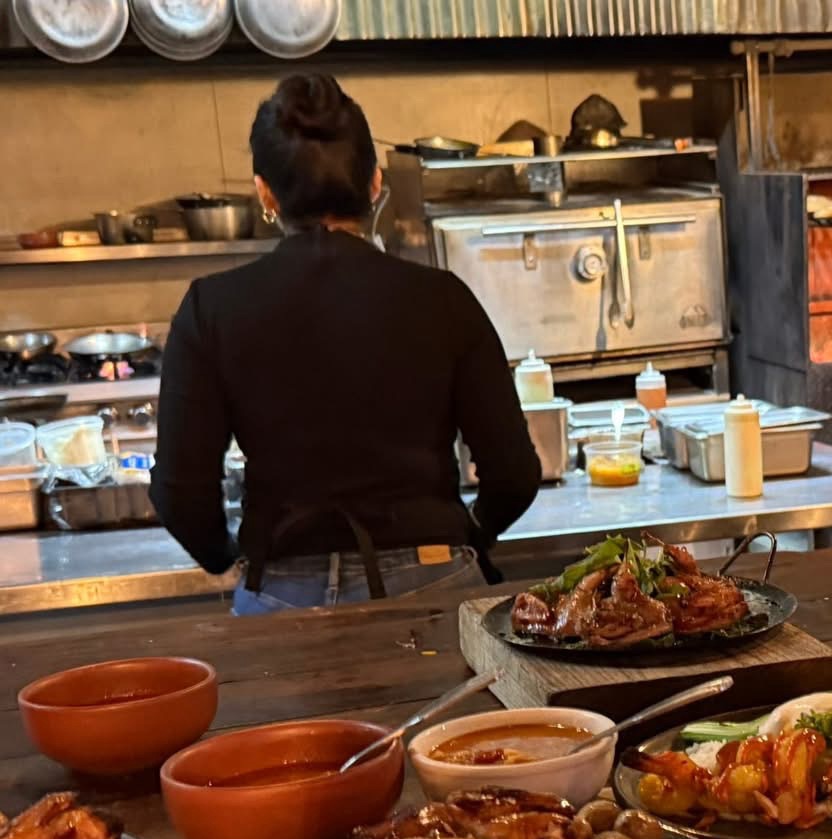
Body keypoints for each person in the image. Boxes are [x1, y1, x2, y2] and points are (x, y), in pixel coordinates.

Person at [150, 74, 540, 614]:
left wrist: (235, 557)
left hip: (281, 587)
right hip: (435, 577)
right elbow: (516, 473)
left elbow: (180, 495)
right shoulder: (442, 298)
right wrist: (468, 534)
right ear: (375, 184)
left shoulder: (210, 308)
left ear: (265, 191)